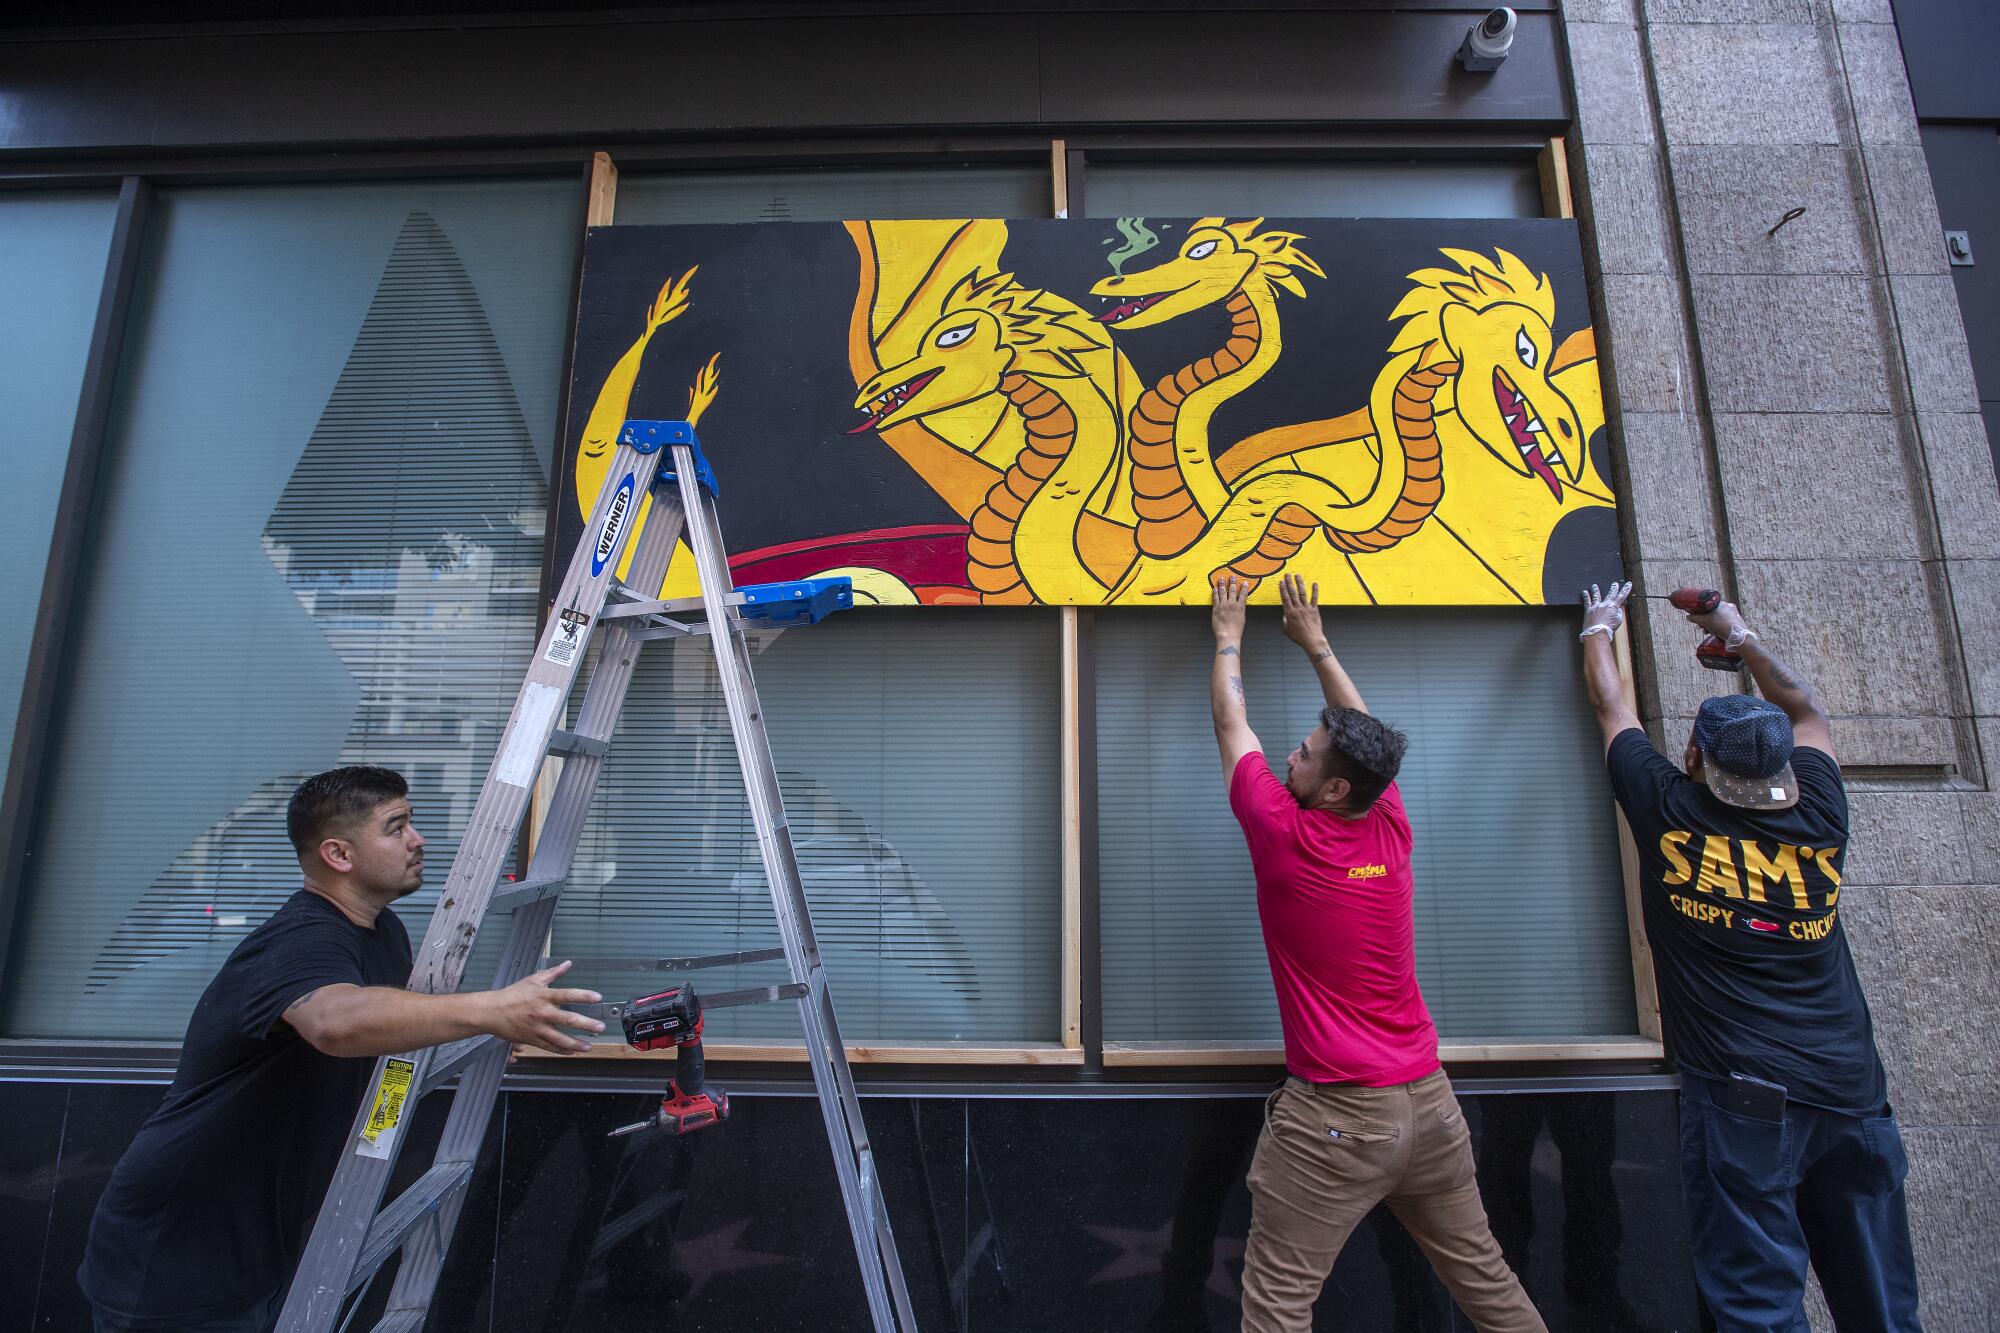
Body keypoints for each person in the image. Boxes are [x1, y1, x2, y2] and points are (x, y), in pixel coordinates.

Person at [79, 765, 606, 1332]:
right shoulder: (302, 939)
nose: (417, 838)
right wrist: (489, 1010)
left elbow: (389, 1038)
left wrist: (485, 1033)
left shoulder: (383, 933)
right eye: (396, 826)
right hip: (177, 1253)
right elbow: (333, 1023)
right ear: (338, 855)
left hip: (265, 1237)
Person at [1577, 583, 1922, 1332]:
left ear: (1694, 757)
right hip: (1853, 1099)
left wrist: (1598, 626)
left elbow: (1613, 708)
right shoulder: (1822, 810)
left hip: (1746, 1108)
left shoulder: (1670, 812)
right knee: (1884, 1309)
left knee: (1757, 1308)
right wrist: (1737, 632)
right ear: (1788, 771)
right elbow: (1805, 709)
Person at [1210, 573, 1546, 1333]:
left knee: (1276, 1308)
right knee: (1488, 1284)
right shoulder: (1385, 819)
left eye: (1303, 752)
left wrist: (1228, 633)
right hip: (1429, 1108)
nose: (1289, 755)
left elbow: (1232, 722)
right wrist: (1316, 642)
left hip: (1336, 1116)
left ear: (1332, 789)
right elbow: (1363, 729)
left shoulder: (1286, 834)